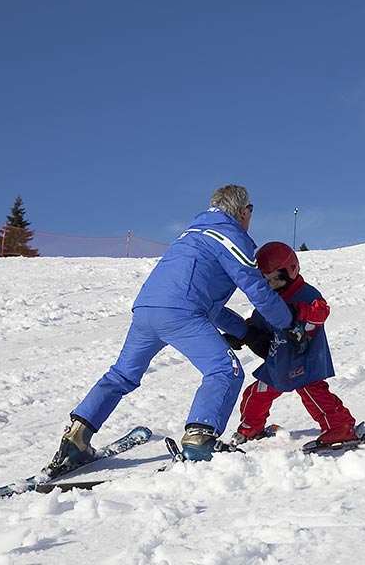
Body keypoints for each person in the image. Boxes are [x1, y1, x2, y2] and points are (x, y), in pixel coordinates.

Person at [48, 185, 307, 469]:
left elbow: (209, 306)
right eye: (250, 211)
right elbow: (256, 290)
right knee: (225, 370)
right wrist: (288, 322)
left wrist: (245, 333)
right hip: (181, 313)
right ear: (244, 211)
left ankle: (76, 439)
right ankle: (200, 438)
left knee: (122, 374)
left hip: (146, 311)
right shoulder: (232, 236)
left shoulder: (191, 235)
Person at [220, 242, 360, 447]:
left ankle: (340, 428)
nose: (272, 284)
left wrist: (298, 311)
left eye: (277, 277)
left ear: (291, 270)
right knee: (256, 393)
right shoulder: (269, 300)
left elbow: (321, 312)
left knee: (314, 394)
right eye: (266, 280)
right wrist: (240, 336)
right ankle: (251, 427)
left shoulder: (305, 294)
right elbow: (258, 324)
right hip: (280, 361)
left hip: (304, 358)